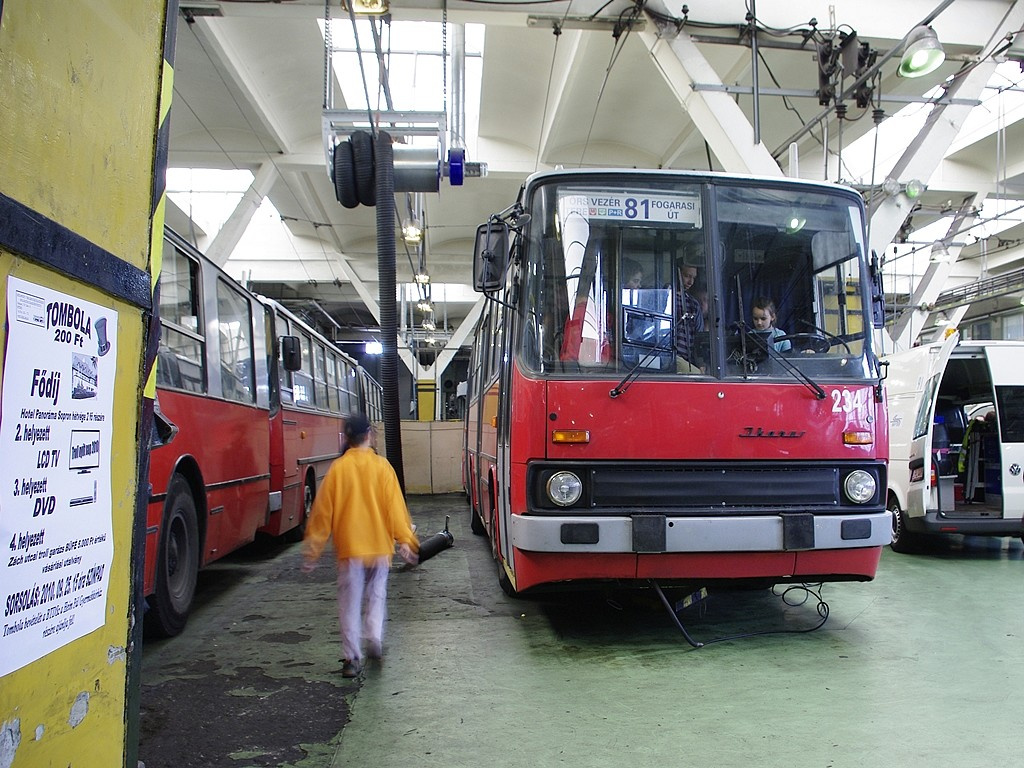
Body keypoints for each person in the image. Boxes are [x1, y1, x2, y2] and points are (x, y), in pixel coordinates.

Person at [302, 413, 419, 678]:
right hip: (379, 547)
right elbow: (395, 509)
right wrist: (405, 541)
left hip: (351, 549)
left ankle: (352, 658)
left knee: (349, 603)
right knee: (377, 595)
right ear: (369, 435)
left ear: (347, 437)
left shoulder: (337, 470)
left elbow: (322, 514)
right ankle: (374, 637)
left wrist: (312, 551)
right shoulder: (383, 467)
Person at [675, 260, 705, 372]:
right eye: (687, 276)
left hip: (686, 359)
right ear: (676, 273)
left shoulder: (693, 304)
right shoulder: (662, 295)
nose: (691, 281)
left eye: (694, 278)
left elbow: (699, 337)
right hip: (667, 357)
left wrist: (700, 363)